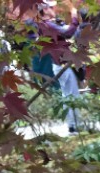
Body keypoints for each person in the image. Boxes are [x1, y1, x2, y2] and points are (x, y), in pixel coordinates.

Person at [34, 2, 81, 133]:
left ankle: (73, 125)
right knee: (71, 95)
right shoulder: (48, 25)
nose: (53, 9)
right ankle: (73, 126)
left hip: (58, 64)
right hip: (61, 64)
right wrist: (74, 16)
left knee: (68, 94)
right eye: (50, 7)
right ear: (44, 10)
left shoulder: (45, 24)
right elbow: (68, 32)